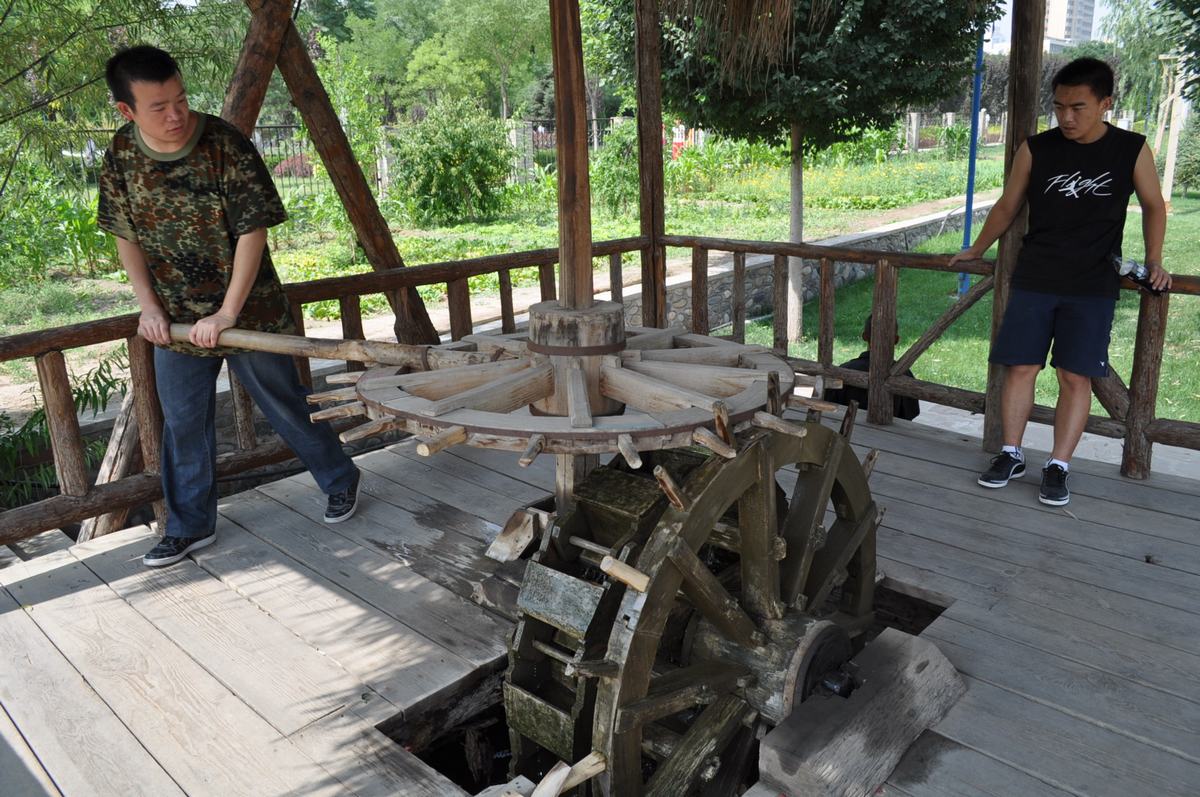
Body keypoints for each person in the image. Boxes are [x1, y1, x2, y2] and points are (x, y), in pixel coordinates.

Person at [98, 46, 362, 567]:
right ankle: (190, 527)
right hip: (174, 322)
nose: (175, 115)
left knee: (285, 403)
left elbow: (252, 229)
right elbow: (123, 234)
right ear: (126, 111)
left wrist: (227, 313)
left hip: (251, 312)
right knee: (183, 423)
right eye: (159, 107)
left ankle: (340, 478)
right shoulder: (121, 155)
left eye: (180, 99)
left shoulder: (224, 143)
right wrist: (148, 307)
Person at [949, 57, 1169, 506]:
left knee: (1075, 375)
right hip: (1036, 275)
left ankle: (1058, 464)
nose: (1066, 117)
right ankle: (1011, 453)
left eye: (1078, 107)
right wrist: (977, 247)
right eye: (1059, 106)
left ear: (1105, 103)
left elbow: (1154, 205)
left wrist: (1154, 258)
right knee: (1021, 366)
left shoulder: (1131, 149)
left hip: (1092, 283)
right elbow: (1008, 205)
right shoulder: (1037, 148)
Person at [825, 316, 920, 421]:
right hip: (888, 436)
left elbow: (827, 406)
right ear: (896, 340)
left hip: (849, 433)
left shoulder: (844, 370)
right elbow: (911, 414)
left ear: (864, 336)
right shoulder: (905, 375)